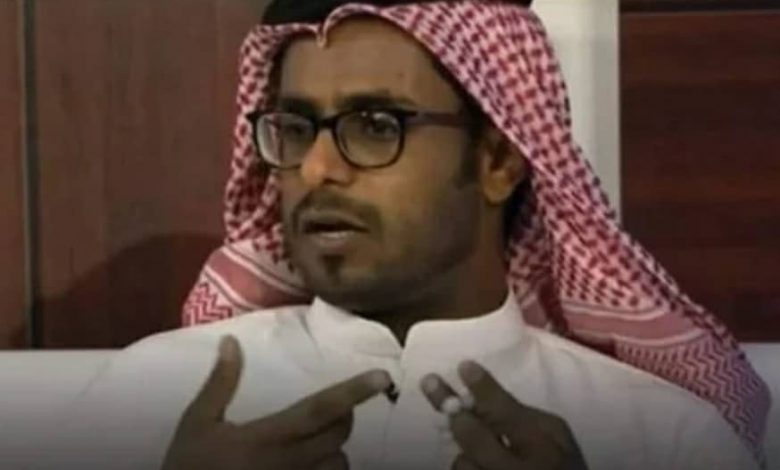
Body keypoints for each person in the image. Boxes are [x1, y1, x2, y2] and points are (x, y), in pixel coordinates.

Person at [30, 1, 768, 469]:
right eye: (295, 127)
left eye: (375, 125)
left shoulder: (662, 436)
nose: (315, 169)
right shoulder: (149, 399)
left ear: (499, 161)